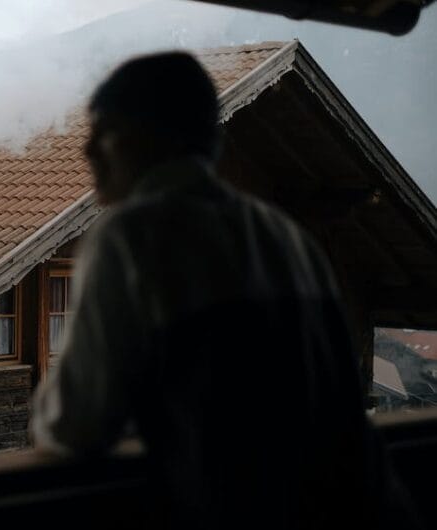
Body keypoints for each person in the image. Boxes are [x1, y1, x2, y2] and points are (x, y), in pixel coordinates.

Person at [30, 52, 420, 529]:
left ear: (147, 135)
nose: (88, 151)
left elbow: (76, 425)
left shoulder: (133, 235)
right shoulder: (288, 235)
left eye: (103, 131)